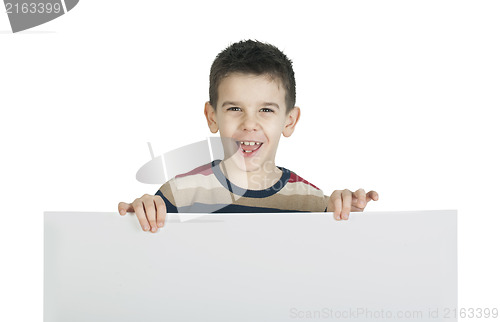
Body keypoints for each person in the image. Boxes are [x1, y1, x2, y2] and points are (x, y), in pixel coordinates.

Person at [118, 39, 379, 233]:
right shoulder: (179, 195)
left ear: (289, 121)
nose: (249, 123)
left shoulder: (310, 201)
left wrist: (347, 216)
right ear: (212, 117)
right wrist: (142, 212)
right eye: (234, 109)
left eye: (266, 110)